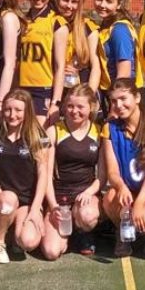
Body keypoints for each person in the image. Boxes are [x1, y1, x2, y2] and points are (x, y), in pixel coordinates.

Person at [101, 78, 145, 257]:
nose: (118, 105)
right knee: (109, 198)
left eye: (123, 99)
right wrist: (121, 186)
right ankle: (122, 230)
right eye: (114, 101)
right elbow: (112, 171)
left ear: (137, 98)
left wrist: (139, 203)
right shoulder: (110, 129)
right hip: (130, 189)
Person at [0, 89, 50, 263]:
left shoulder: (37, 135)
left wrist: (35, 208)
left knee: (28, 241)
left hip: (27, 201)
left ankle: (13, 235)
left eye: (18, 110)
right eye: (8, 109)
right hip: (2, 199)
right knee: (8, 200)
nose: (12, 115)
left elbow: (43, 175)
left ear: (27, 111)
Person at [40, 85, 103, 260]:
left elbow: (102, 176)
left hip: (85, 196)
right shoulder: (53, 131)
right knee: (51, 252)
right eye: (70, 106)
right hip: (60, 198)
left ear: (91, 107)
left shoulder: (98, 132)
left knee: (88, 215)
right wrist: (53, 205)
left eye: (80, 107)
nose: (74, 111)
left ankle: (83, 231)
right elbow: (45, 175)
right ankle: (69, 233)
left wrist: (89, 192)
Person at [18, 0, 68, 125]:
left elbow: (60, 66)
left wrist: (55, 102)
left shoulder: (57, 22)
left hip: (43, 90)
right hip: (21, 88)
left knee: (40, 136)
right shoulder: (21, 21)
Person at [96, 0, 143, 104]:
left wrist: (116, 103)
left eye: (109, 1)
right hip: (110, 92)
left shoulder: (119, 30)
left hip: (121, 95)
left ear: (118, 4)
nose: (102, 4)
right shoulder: (105, 26)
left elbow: (124, 73)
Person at [54, 0, 101, 92]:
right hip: (51, 88)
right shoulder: (50, 23)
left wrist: (89, 95)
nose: (69, 6)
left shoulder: (89, 28)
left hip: (79, 90)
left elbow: (96, 68)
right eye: (65, 0)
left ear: (80, 3)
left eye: (74, 2)